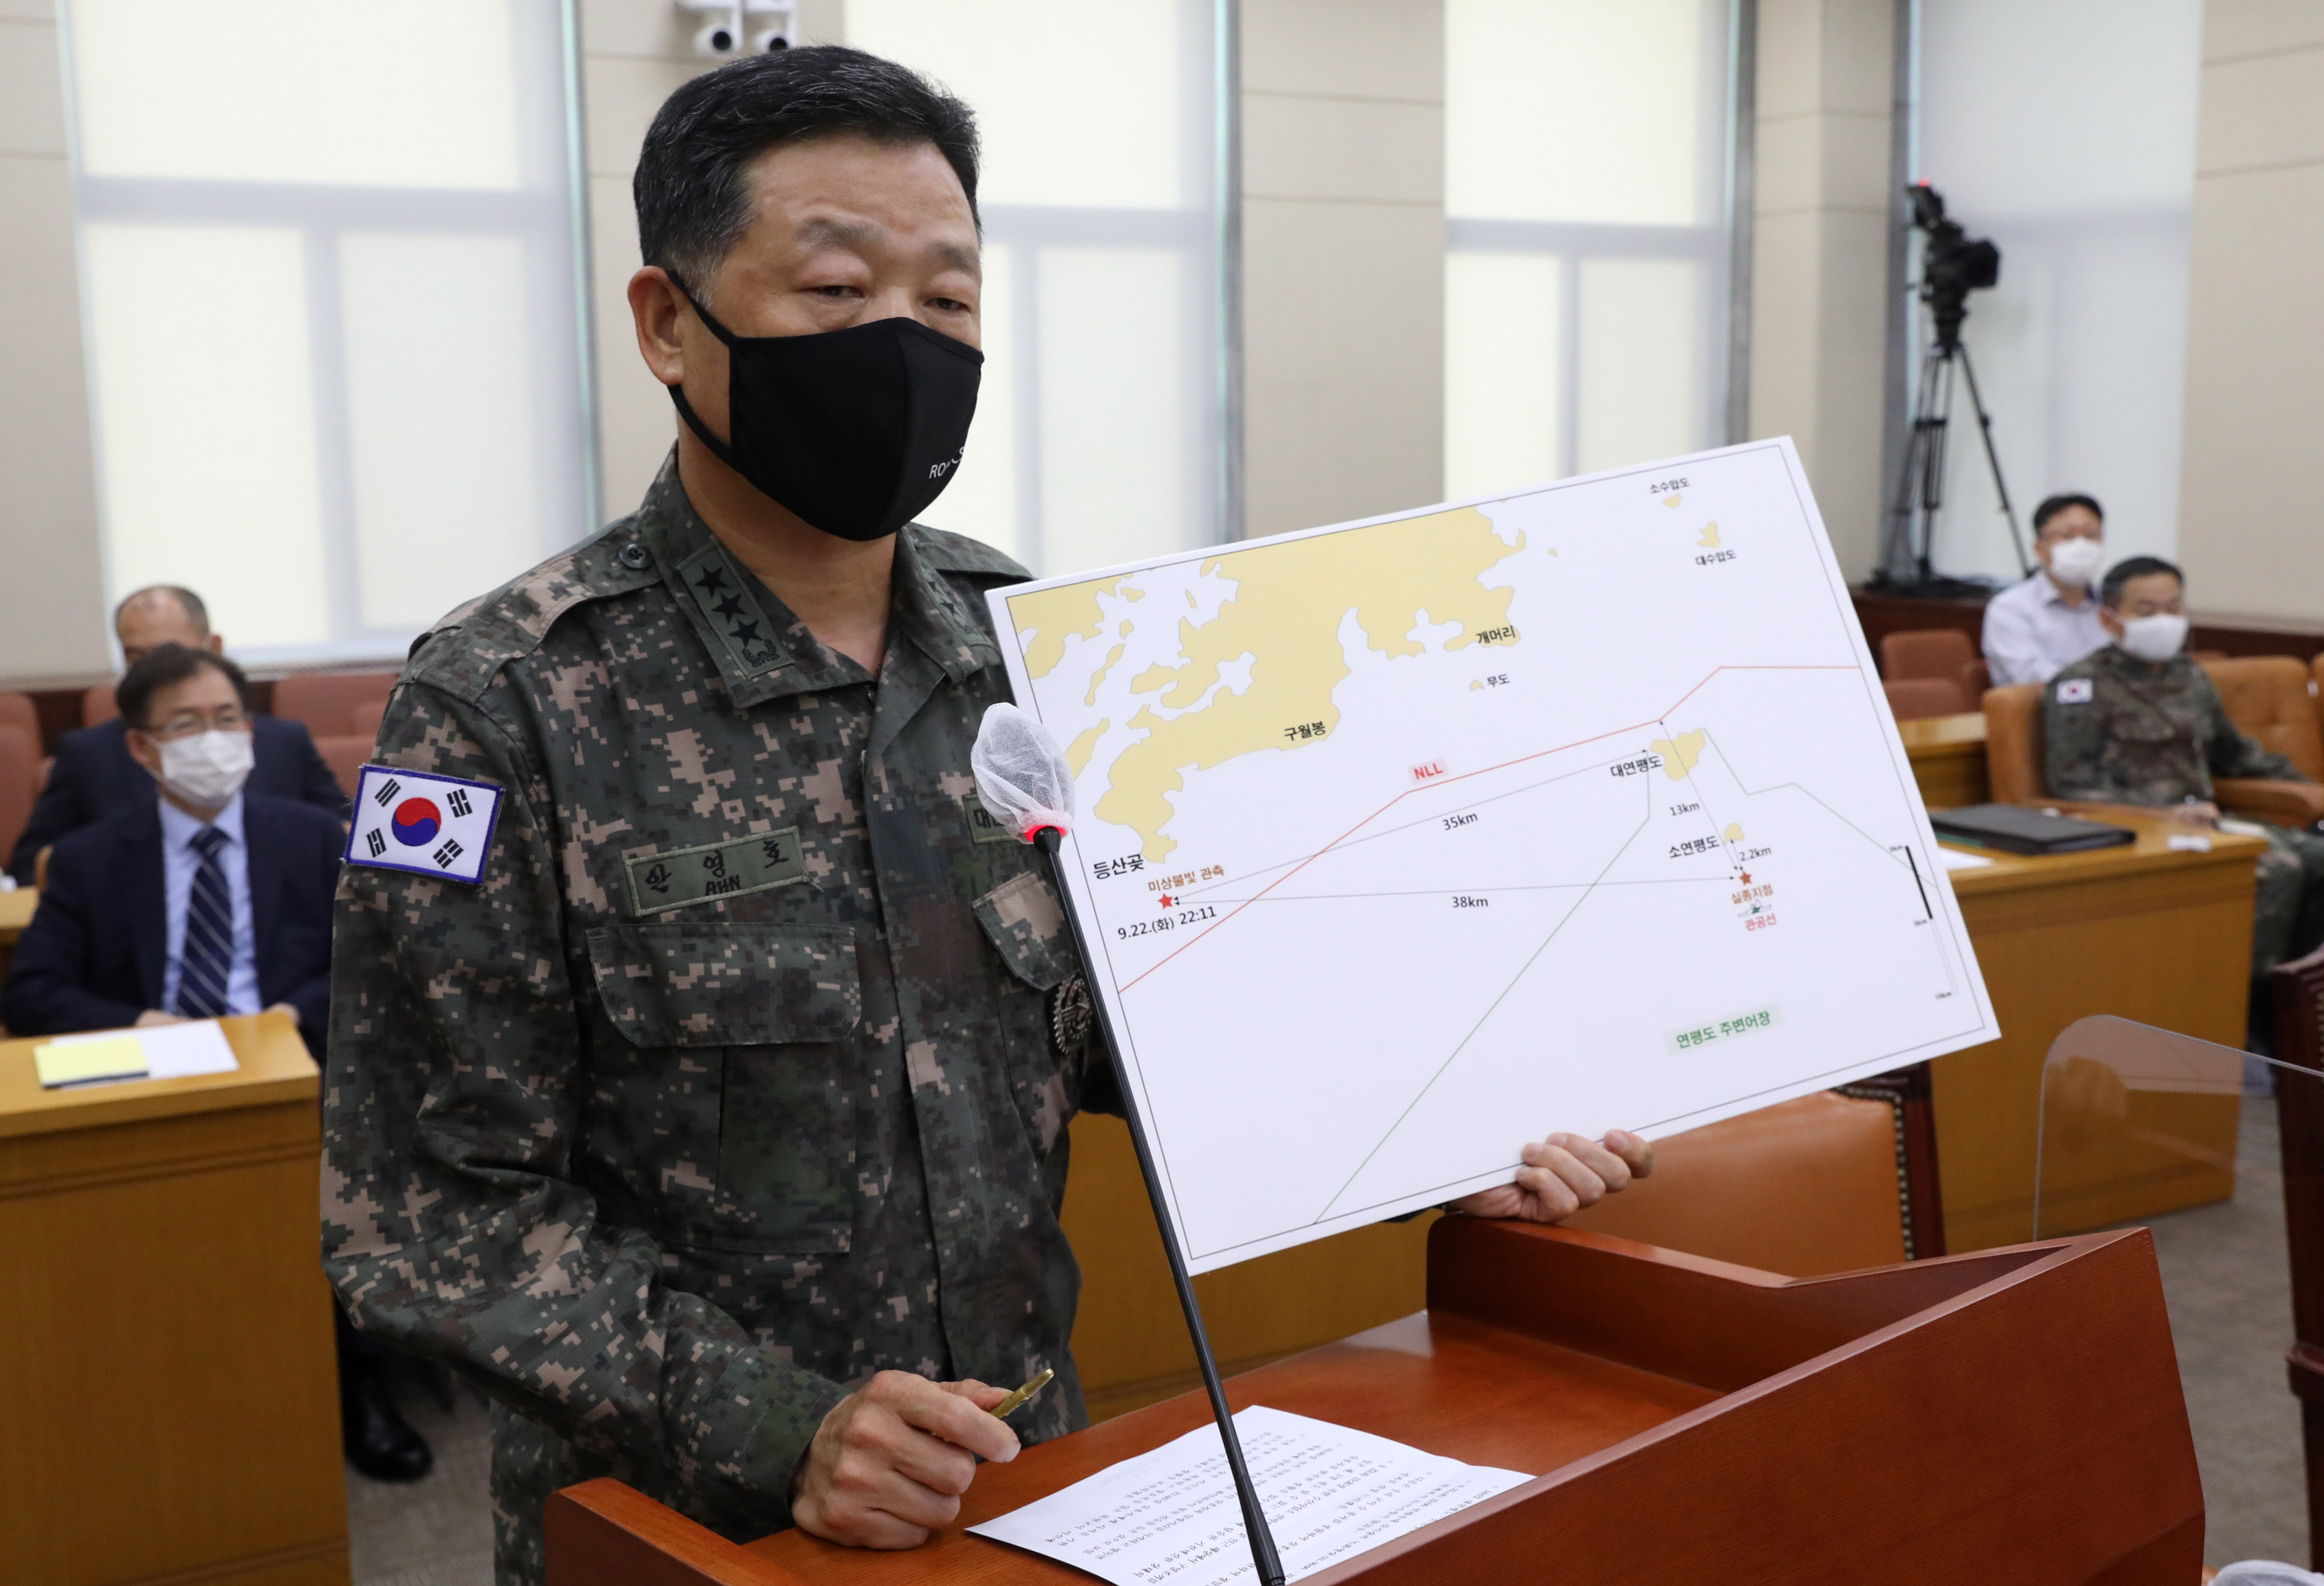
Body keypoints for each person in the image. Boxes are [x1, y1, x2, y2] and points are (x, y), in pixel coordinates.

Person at [317, 47, 1653, 1584]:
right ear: (668, 322)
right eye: (835, 289)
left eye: (947, 299)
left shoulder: (1038, 649)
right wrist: (784, 1427)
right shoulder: (503, 704)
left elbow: (1139, 1014)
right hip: (690, 1529)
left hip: (1026, 1489)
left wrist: (1419, 1130)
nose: (902, 339)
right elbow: (428, 1214)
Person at [0, 643, 434, 1482]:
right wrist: (142, 1021)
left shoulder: (313, 836)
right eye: (187, 725)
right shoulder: (90, 858)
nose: (213, 739)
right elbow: (32, 993)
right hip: (153, 1076)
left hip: (294, 1067)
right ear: (140, 747)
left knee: (339, 1176)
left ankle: (356, 1386)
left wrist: (288, 1015)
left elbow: (369, 963)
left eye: (227, 719)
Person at [2043, 555, 2324, 977]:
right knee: (2278, 869)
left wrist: (2310, 789)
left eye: (2173, 608)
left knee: (2319, 857)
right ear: (2108, 619)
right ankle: (2245, 1001)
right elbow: (2072, 785)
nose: (2164, 620)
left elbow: (2239, 756)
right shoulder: (2080, 686)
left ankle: (2296, 994)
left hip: (2213, 822)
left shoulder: (2191, 677)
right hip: (2143, 829)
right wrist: (2162, 815)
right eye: (2146, 611)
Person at [8, 586, 350, 884]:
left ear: (213, 647)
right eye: (135, 657)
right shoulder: (89, 754)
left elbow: (348, 833)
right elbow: (32, 866)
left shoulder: (283, 743)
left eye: (169, 654)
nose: (153, 672)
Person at [1981, 494, 2111, 688]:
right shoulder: (2010, 608)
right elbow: (2031, 676)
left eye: (2091, 535)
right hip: (2043, 705)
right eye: (2067, 536)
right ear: (2040, 549)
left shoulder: (2113, 603)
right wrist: (2106, 688)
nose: (2081, 545)